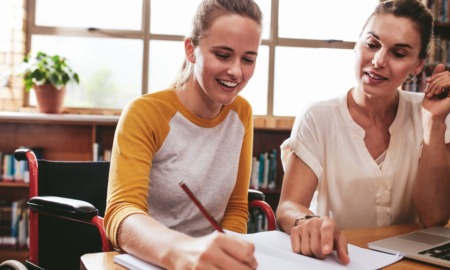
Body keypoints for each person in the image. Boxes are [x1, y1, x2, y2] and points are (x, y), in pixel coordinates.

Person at [276, 0, 450, 265]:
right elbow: (288, 206)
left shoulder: (429, 114)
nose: (378, 60)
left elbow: (434, 219)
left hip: (408, 264)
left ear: (418, 65)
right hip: (339, 259)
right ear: (357, 45)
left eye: (398, 53)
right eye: (372, 44)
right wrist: (308, 222)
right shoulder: (318, 116)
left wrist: (434, 124)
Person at [104, 0, 263, 269]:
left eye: (248, 59)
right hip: (149, 260)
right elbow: (122, 214)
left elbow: (236, 207)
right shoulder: (145, 113)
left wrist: (229, 257)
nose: (236, 71)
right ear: (191, 49)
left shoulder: (242, 113)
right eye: (223, 55)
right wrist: (183, 252)